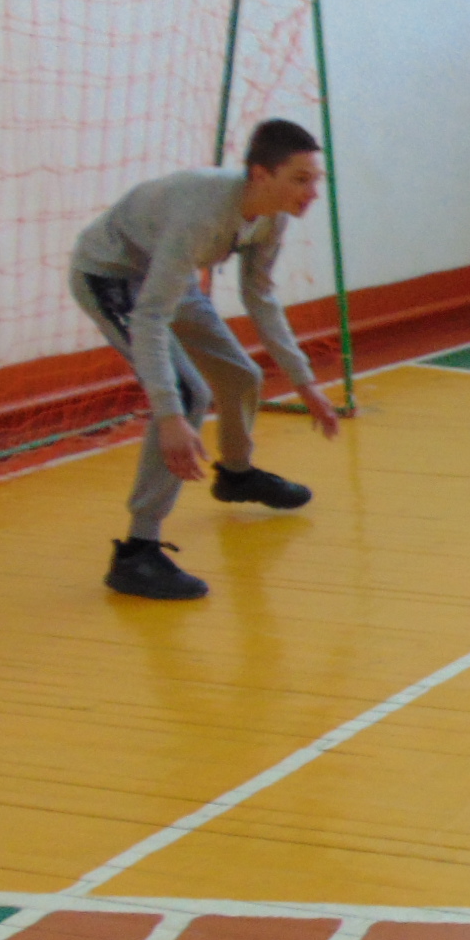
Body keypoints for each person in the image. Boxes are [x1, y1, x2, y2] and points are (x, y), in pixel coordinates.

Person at [69, 118, 341, 601]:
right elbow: (150, 317)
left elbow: (260, 297)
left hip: (163, 272)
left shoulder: (272, 215)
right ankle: (137, 552)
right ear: (260, 174)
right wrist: (170, 415)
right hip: (111, 274)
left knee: (240, 375)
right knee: (189, 392)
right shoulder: (201, 216)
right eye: (300, 180)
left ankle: (236, 475)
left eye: (315, 180)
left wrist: (305, 384)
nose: (312, 193)